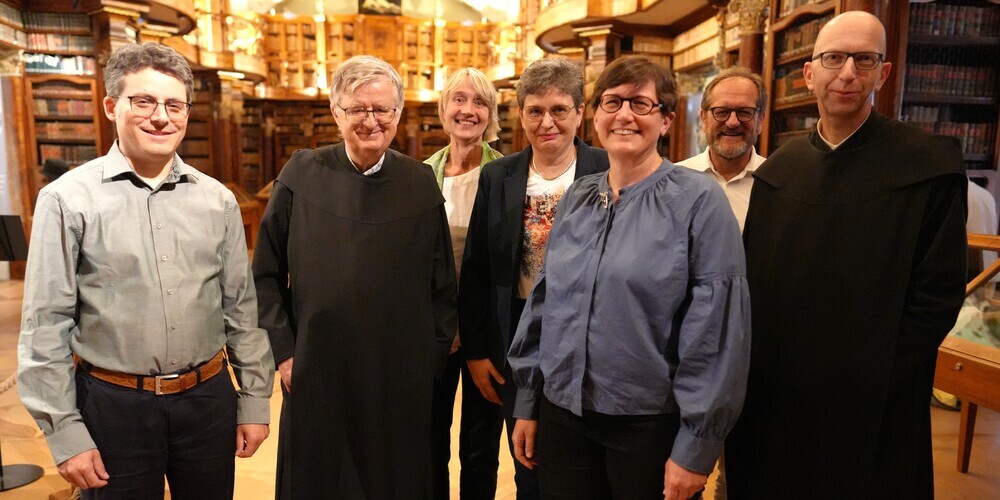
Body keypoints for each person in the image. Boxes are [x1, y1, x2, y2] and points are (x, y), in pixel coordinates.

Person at [725, 11, 968, 499]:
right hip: (782, 395)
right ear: (809, 72)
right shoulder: (780, 172)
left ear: (885, 71)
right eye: (834, 58)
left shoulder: (928, 167)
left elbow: (938, 294)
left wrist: (879, 369)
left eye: (864, 59)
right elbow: (755, 286)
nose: (848, 72)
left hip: (877, 395)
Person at [18, 42, 274, 499]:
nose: (161, 117)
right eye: (144, 101)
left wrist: (254, 400)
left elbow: (241, 310)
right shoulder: (67, 200)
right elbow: (45, 325)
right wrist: (64, 432)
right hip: (113, 407)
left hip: (208, 399)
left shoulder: (217, 200)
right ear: (112, 106)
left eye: (174, 105)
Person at [507, 55, 750, 500]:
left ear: (667, 120)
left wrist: (697, 445)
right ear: (594, 115)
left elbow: (715, 331)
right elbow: (546, 302)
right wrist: (528, 400)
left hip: (647, 427)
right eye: (612, 102)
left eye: (640, 104)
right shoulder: (579, 196)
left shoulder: (699, 202)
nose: (623, 115)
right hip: (563, 416)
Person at [253, 55, 457, 499]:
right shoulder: (300, 174)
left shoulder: (420, 182)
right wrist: (286, 354)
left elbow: (443, 288)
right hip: (318, 370)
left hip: (398, 377)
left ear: (398, 114)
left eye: (382, 109)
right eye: (357, 109)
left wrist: (428, 361)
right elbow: (265, 275)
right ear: (336, 113)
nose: (370, 121)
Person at [459, 58, 608, 499]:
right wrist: (476, 350)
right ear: (519, 113)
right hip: (514, 338)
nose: (547, 122)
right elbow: (477, 268)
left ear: (580, 112)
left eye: (559, 110)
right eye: (535, 111)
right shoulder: (498, 175)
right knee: (529, 466)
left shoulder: (607, 168)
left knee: (582, 470)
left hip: (590, 340)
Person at [424, 67, 504, 499]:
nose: (467, 110)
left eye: (479, 102)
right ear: (443, 108)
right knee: (430, 441)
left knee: (479, 448)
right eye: (458, 99)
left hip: (486, 338)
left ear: (491, 114)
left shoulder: (509, 175)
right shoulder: (422, 175)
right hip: (434, 334)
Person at [676, 66, 767, 231]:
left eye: (745, 112)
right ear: (704, 119)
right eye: (721, 111)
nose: (732, 122)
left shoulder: (776, 183)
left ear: (760, 120)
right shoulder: (673, 181)